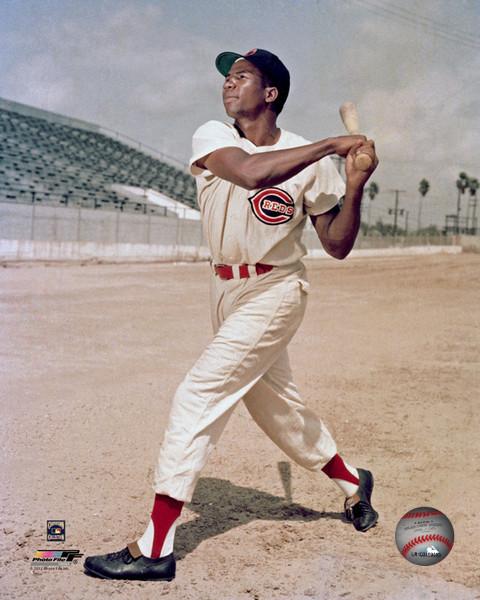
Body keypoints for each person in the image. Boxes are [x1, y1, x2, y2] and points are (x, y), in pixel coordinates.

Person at [84, 48, 379, 582]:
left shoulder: (308, 163)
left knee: (198, 394)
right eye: (227, 77)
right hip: (224, 290)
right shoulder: (213, 136)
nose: (228, 84)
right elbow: (247, 174)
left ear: (270, 94)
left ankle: (156, 546)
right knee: (277, 410)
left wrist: (354, 183)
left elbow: (336, 244)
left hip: (276, 288)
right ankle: (354, 483)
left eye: (241, 77)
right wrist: (333, 146)